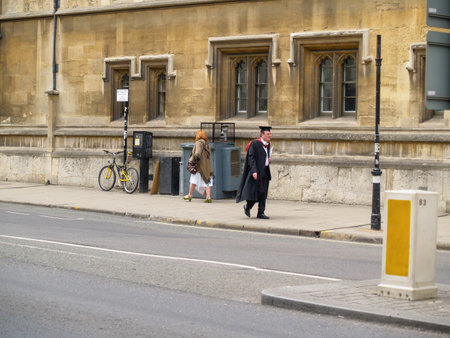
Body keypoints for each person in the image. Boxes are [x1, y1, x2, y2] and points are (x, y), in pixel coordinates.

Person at [236, 126, 272, 219]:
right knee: (256, 192)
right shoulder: (255, 144)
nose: (269, 136)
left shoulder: (268, 144)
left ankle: (261, 213)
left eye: (270, 134)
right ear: (262, 134)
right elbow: (251, 158)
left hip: (265, 172)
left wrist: (269, 159)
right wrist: (254, 171)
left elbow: (264, 157)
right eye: (267, 134)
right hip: (257, 172)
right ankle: (248, 206)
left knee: (263, 193)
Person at [183, 129, 214, 203]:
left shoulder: (198, 143)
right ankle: (208, 197)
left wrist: (192, 161)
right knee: (208, 180)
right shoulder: (207, 144)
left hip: (199, 167)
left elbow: (197, 154)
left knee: (193, 181)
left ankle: (190, 195)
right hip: (207, 166)